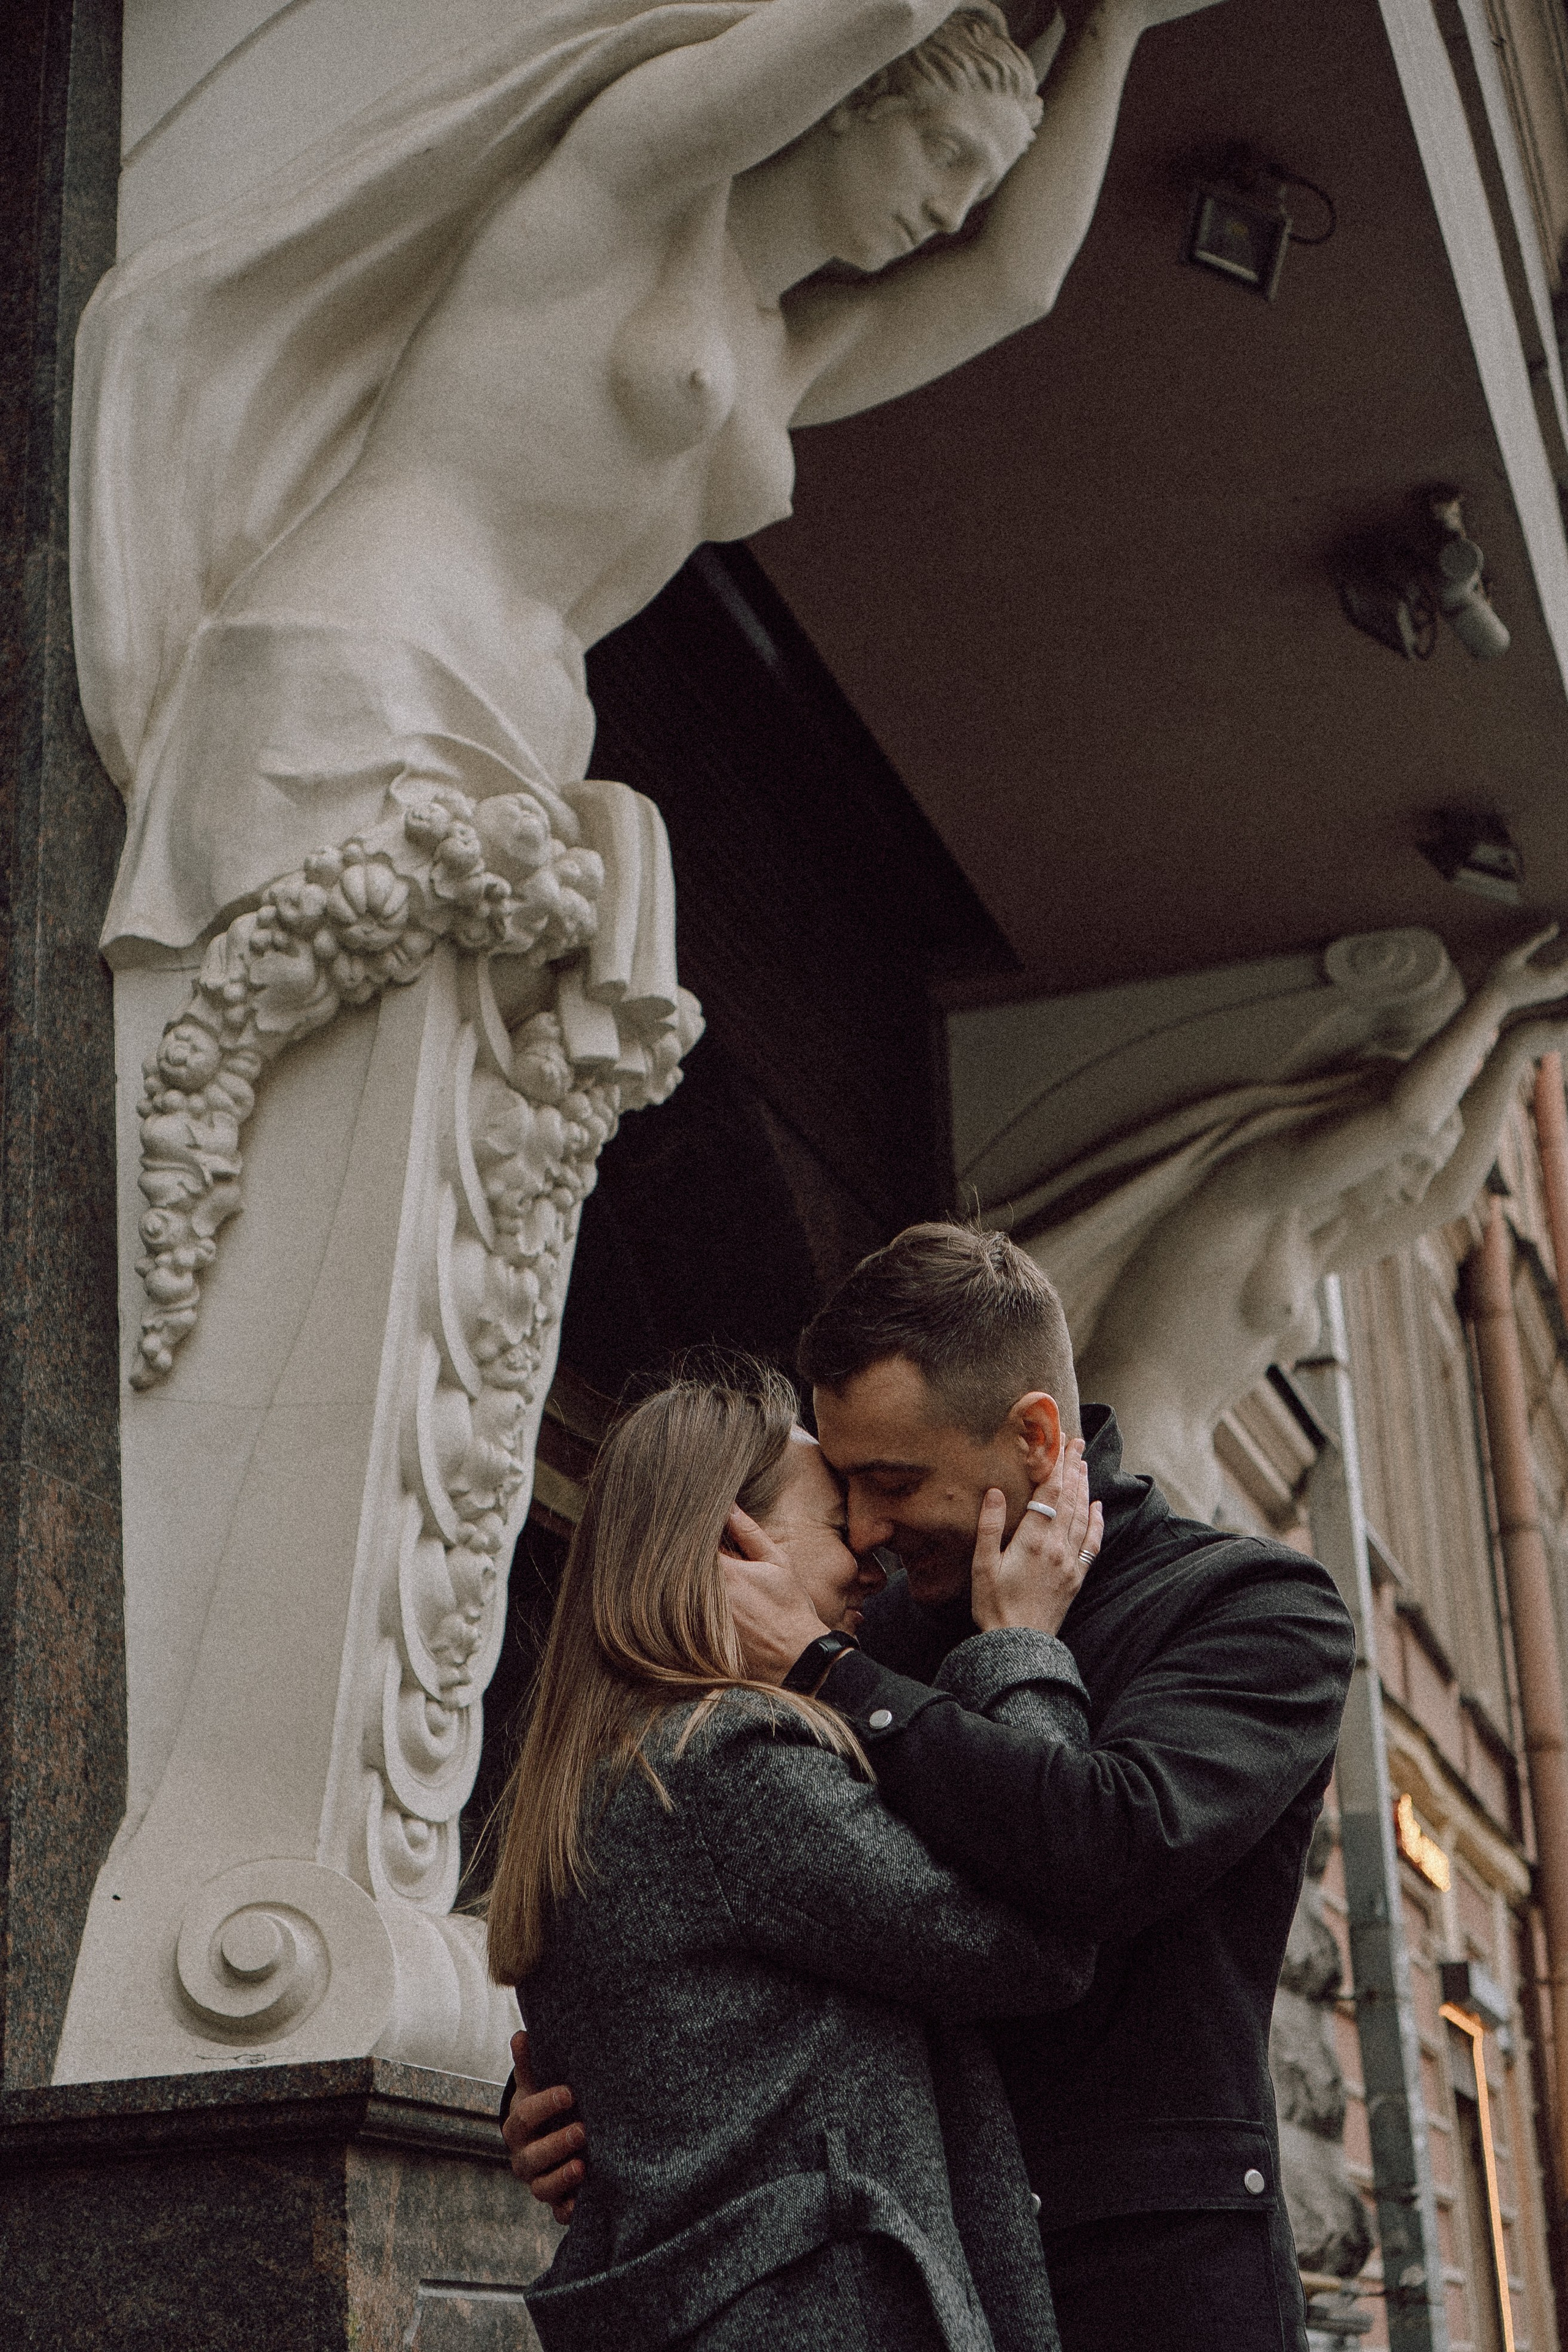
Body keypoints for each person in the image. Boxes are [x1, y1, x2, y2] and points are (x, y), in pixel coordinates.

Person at [75, 0, 1233, 960]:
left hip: (539, 719)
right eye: (945, 152)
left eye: (979, 183)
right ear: (851, 98)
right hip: (380, 639)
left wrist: (1116, 27)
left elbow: (1013, 284)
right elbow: (879, 10)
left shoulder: (789, 353)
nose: (950, 209)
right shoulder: (640, 180)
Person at [509, 1227, 1356, 2352]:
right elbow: (740, 1923)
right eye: (846, 1492)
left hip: (1144, 2286)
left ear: (1036, 1436)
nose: (864, 1531)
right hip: (923, 2270)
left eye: (893, 1483)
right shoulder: (869, 1624)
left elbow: (1104, 1851)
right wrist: (598, 2101)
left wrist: (834, 1671)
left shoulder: (1250, 1610)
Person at [487, 1358, 1105, 2349]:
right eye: (837, 1521)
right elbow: (1038, 1939)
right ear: (732, 1546)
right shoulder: (728, 1762)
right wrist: (1022, 1645)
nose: (873, 1553)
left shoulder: (609, 1771)